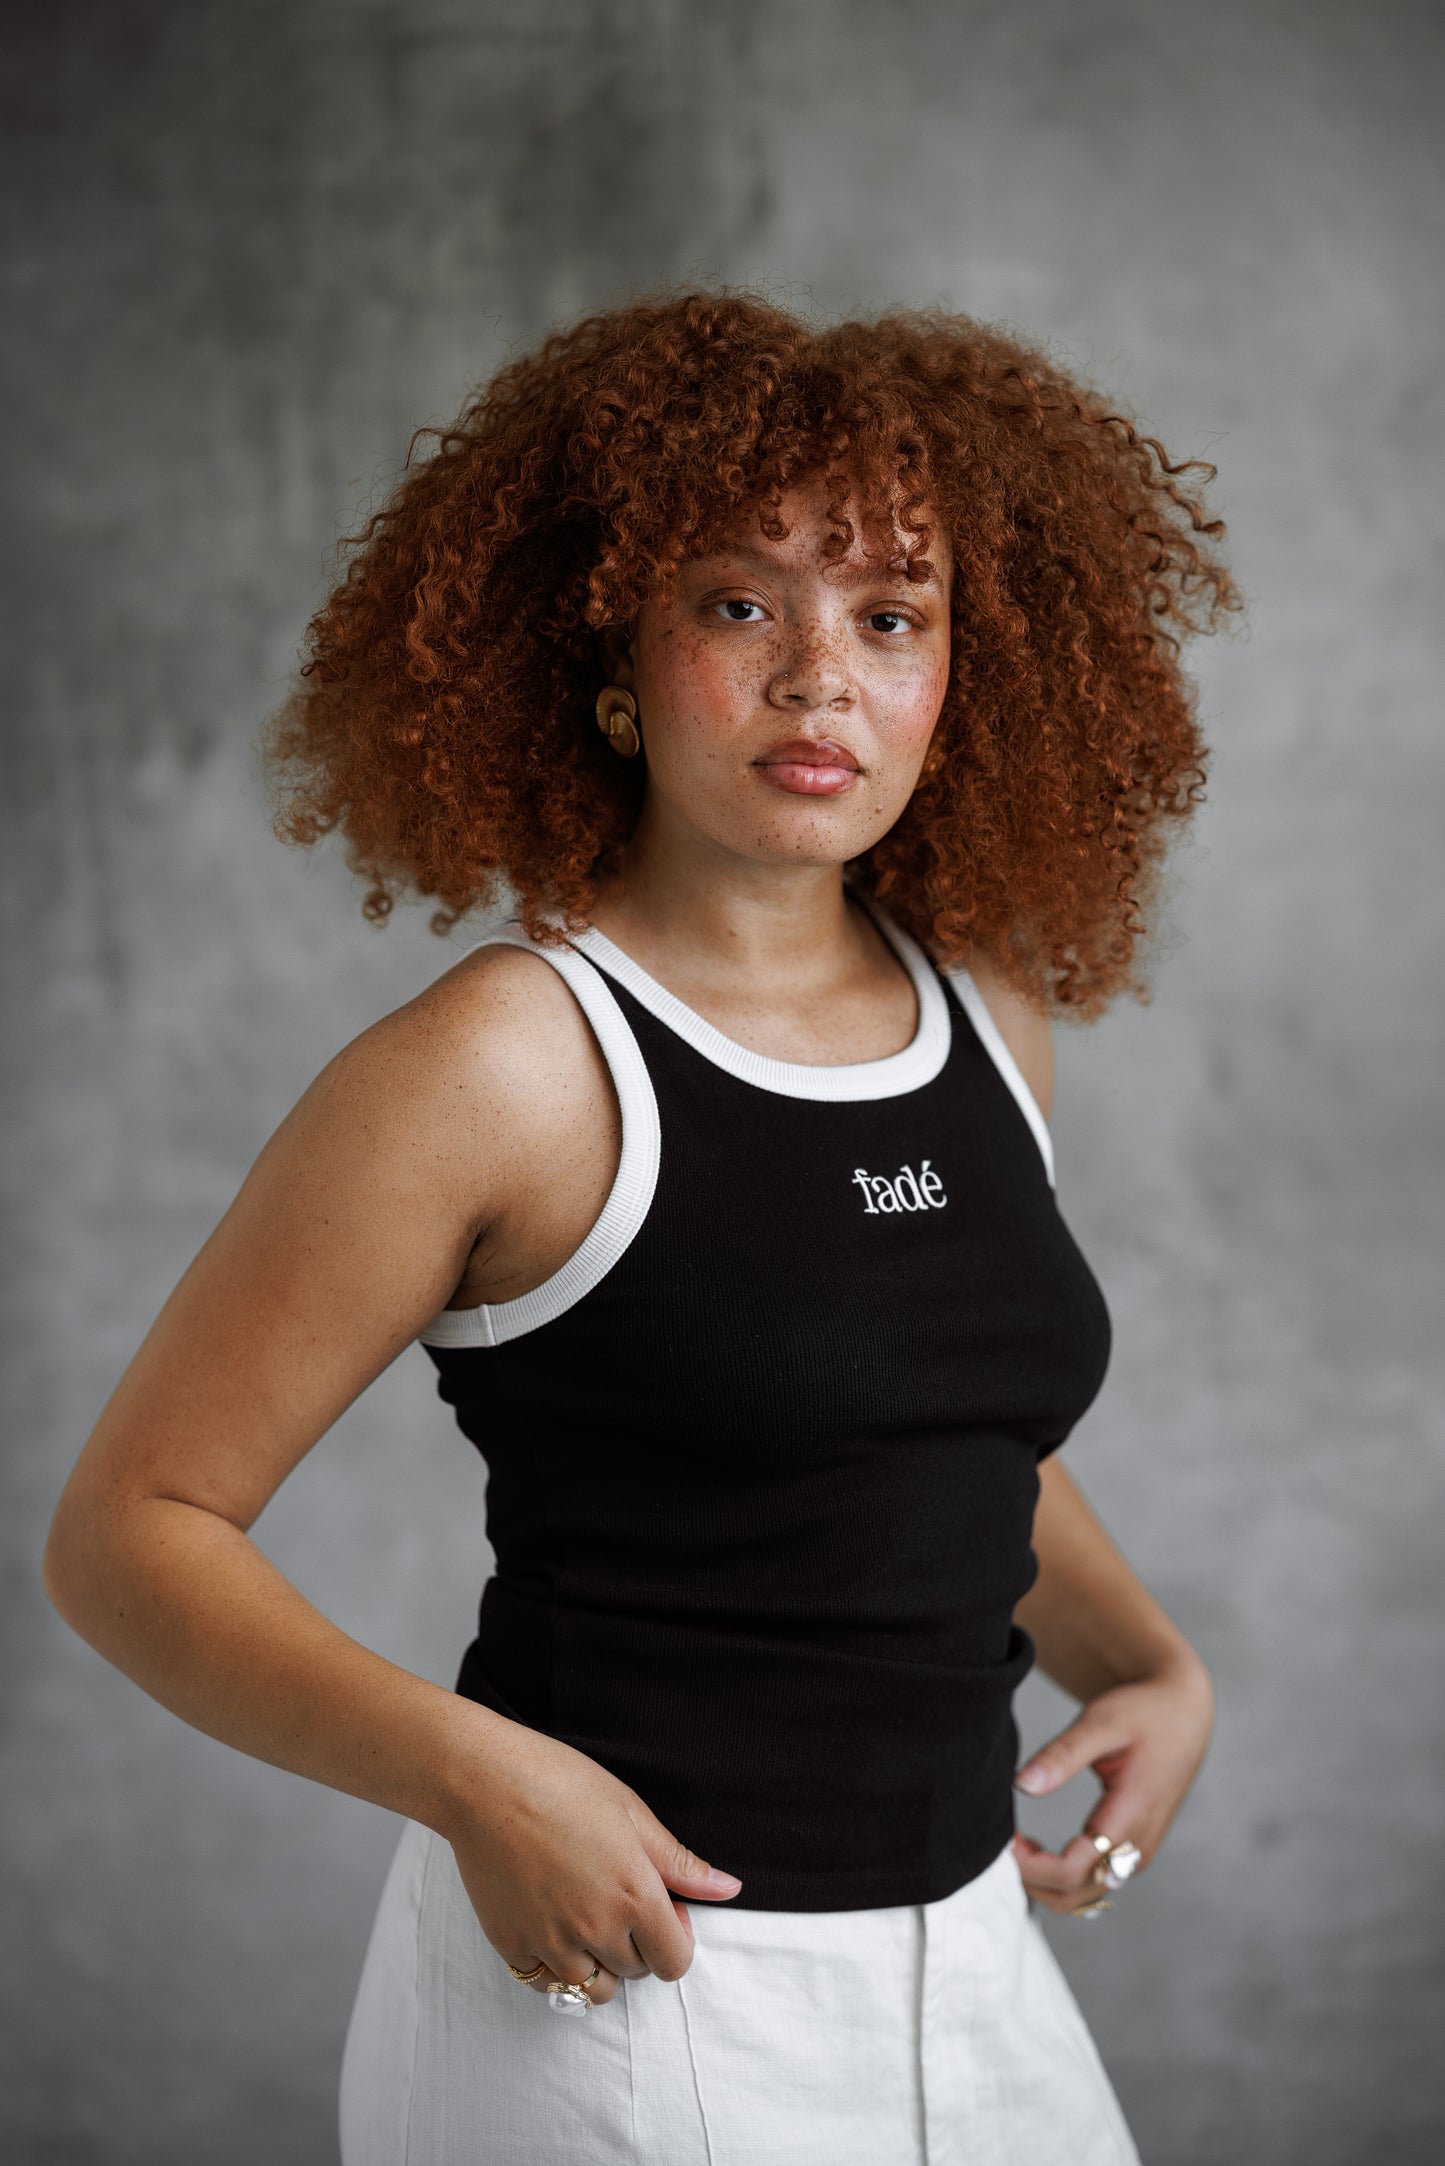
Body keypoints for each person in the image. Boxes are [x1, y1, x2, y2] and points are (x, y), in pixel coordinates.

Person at [45, 290, 1233, 2164]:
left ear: (956, 674)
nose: (818, 677)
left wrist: (1147, 1657)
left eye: (889, 617)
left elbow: (923, 1433)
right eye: (740, 603)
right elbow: (129, 1535)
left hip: (972, 1962)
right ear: (608, 653)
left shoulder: (991, 1012)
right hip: (624, 1991)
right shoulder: (504, 1061)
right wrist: (472, 1780)